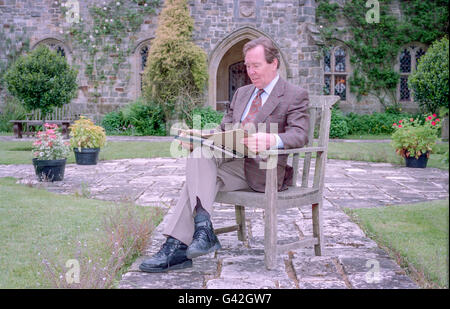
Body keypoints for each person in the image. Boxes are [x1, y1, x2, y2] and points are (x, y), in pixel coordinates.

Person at [139, 36, 310, 273]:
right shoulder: (242, 93)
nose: (250, 71)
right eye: (247, 65)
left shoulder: (294, 95)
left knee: (195, 184)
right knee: (199, 152)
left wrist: (273, 139)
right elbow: (223, 130)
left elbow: (300, 135)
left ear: (274, 63)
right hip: (230, 159)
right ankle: (202, 229)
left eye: (256, 66)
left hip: (263, 169)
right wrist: (198, 136)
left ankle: (176, 246)